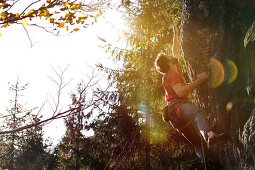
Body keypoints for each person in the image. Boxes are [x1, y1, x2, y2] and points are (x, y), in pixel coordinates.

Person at [155, 21, 224, 159]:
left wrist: (175, 32)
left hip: (176, 117)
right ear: (168, 63)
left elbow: (176, 50)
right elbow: (180, 92)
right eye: (168, 57)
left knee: (197, 143)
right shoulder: (172, 74)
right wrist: (198, 81)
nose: (171, 56)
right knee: (197, 113)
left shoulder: (173, 67)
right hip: (177, 108)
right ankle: (210, 135)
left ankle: (207, 156)